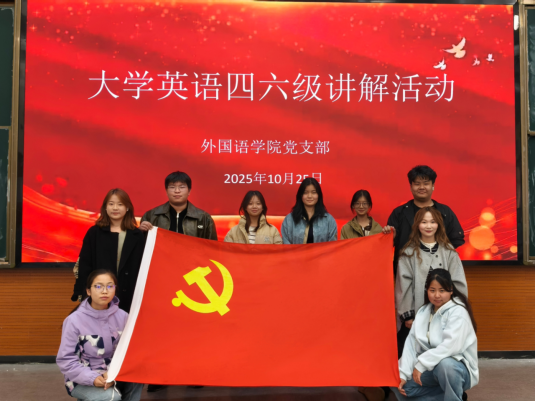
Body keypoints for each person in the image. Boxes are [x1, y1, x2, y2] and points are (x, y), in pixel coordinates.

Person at [58, 270, 144, 401]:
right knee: (110, 397)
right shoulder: (74, 320)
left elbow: (132, 353)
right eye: (98, 286)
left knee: (139, 376)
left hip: (115, 374)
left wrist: (113, 374)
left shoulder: (124, 317)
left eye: (110, 286)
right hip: (82, 378)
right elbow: (67, 360)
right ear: (88, 291)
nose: (105, 291)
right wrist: (93, 378)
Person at [395, 269, 478, 402]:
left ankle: (453, 395)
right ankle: (452, 395)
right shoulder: (423, 312)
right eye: (432, 290)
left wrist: (421, 364)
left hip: (455, 369)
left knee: (446, 365)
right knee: (400, 386)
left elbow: (450, 347)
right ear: (427, 290)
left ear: (451, 290)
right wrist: (403, 374)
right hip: (431, 369)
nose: (437, 295)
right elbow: (411, 345)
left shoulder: (458, 312)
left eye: (442, 290)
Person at [396, 207, 468, 358]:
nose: (428, 226)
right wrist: (407, 315)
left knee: (443, 351)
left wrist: (456, 311)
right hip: (418, 313)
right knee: (416, 353)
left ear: (439, 225)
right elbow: (403, 285)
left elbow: (458, 283)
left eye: (433, 222)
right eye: (424, 222)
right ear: (417, 225)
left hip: (446, 313)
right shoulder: (408, 253)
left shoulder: (449, 252)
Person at [72, 189, 145, 314]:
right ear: (105, 207)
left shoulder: (137, 235)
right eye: (111, 204)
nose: (115, 208)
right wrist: (82, 291)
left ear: (127, 208)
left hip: (130, 295)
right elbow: (85, 265)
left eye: (120, 204)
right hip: (100, 294)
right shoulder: (94, 233)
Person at [383, 166, 465, 274]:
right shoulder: (399, 213)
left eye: (426, 183)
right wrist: (389, 237)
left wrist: (438, 255)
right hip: (406, 272)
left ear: (433, 186)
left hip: (439, 274)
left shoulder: (445, 212)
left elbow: (457, 238)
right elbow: (388, 245)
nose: (421, 187)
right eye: (417, 184)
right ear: (411, 187)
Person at [139, 171, 217, 241]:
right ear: (166, 191)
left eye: (182, 187)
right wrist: (140, 232)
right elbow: (141, 246)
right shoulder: (151, 215)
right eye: (172, 187)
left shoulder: (204, 218)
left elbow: (212, 247)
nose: (177, 191)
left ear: (189, 191)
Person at [281, 178, 338, 244]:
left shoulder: (329, 220)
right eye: (305, 193)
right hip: (295, 251)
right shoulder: (289, 220)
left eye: (313, 192)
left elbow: (332, 246)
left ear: (319, 195)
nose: (310, 196)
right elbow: (286, 244)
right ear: (301, 195)